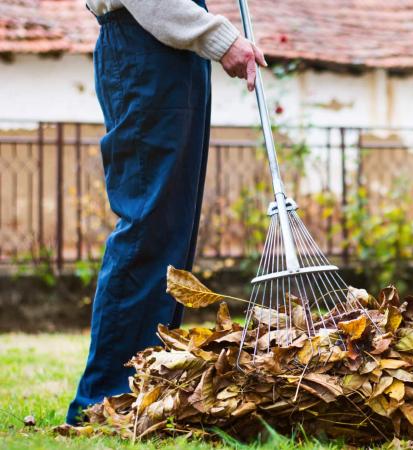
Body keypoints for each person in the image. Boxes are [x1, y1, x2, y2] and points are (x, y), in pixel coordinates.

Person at [66, 0, 266, 425]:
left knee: (172, 231)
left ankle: (147, 389)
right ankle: (105, 399)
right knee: (148, 226)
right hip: (145, 47)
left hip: (171, 55)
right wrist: (219, 36)